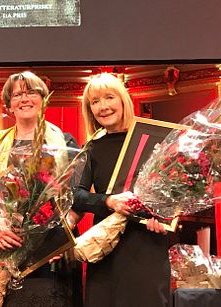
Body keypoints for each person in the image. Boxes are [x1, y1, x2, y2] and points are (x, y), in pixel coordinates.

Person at [0, 71, 79, 307]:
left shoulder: (64, 142)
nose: (24, 99)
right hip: (7, 247)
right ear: (9, 105)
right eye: (17, 94)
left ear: (43, 98)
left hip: (52, 256)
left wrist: (58, 238)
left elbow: (75, 199)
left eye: (31, 92)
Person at [72, 73, 169, 307]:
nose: (103, 107)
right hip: (106, 251)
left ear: (123, 100)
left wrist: (164, 219)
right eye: (95, 102)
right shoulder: (91, 148)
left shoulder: (154, 140)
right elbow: (75, 195)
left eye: (109, 97)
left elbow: (172, 192)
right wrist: (109, 201)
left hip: (147, 247)